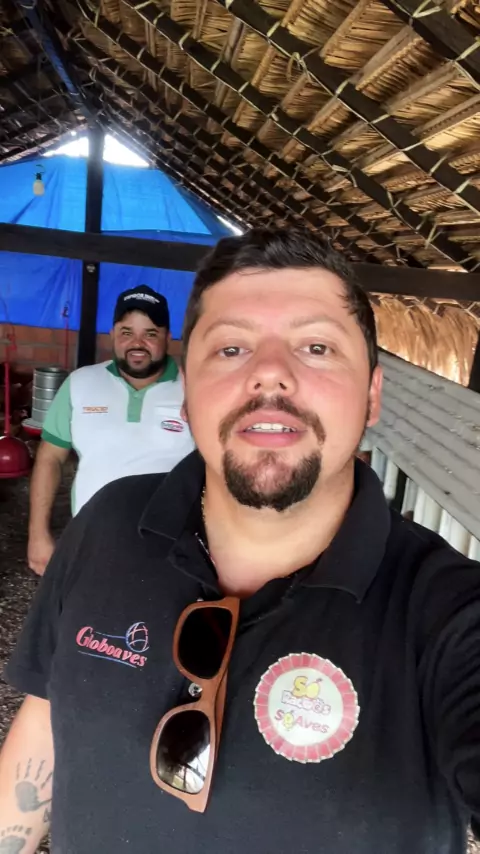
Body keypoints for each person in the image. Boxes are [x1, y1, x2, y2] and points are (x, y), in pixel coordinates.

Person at [1, 229, 479, 854]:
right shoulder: (107, 523)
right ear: (187, 394)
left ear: (372, 395)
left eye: (316, 346)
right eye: (231, 348)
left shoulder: (449, 614)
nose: (270, 373)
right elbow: (45, 723)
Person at [27, 285, 194, 575]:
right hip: (91, 540)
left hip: (170, 549)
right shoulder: (80, 383)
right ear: (113, 334)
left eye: (150, 333)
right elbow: (50, 457)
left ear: (168, 338)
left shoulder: (195, 390)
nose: (137, 343)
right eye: (127, 332)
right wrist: (38, 534)